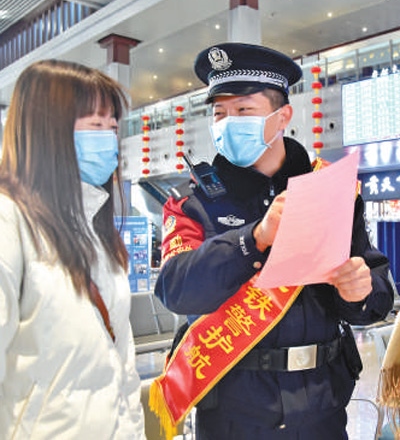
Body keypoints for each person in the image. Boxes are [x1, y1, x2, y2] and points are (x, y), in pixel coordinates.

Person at [153, 43, 394, 440]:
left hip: (323, 407)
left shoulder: (329, 189)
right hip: (233, 412)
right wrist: (253, 239)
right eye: (219, 113)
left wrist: (361, 291)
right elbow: (175, 288)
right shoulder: (192, 202)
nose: (228, 123)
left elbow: (377, 289)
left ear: (283, 116)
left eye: (244, 110)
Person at [0, 60, 146, 439]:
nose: (108, 139)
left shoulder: (95, 228)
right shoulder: (9, 220)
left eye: (113, 127)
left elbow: (123, 365)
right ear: (47, 129)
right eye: (95, 125)